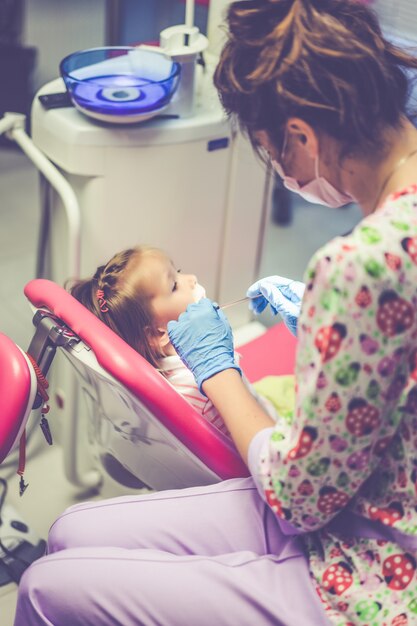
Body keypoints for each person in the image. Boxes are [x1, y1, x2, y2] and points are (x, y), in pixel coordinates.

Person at [13, 1, 417, 624]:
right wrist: (324, 319)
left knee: (44, 586)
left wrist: (217, 365)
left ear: (301, 137)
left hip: (373, 574)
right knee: (68, 533)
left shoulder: (363, 265)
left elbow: (295, 500)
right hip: (365, 500)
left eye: (267, 150)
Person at [68, 245, 286, 437]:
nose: (191, 279)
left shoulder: (168, 375)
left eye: (178, 272)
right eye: (173, 285)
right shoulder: (203, 394)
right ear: (157, 334)